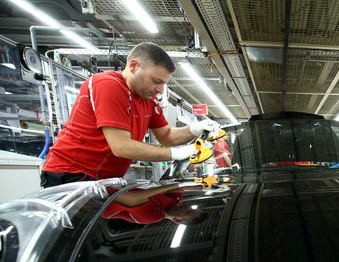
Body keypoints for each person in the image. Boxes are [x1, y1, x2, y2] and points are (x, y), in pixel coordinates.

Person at [41, 42, 220, 187]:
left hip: (104, 178)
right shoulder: (107, 85)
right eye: (156, 81)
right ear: (134, 66)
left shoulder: (148, 99)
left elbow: (166, 136)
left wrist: (195, 128)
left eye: (164, 84)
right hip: (71, 174)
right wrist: (175, 153)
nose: (160, 90)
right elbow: (121, 147)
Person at [102, 183, 208, 225]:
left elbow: (131, 197)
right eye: (192, 207)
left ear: (177, 219)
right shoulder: (175, 203)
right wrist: (202, 187)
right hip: (111, 185)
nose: (188, 206)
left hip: (99, 200)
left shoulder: (151, 216)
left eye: (189, 211)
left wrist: (174, 185)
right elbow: (179, 187)